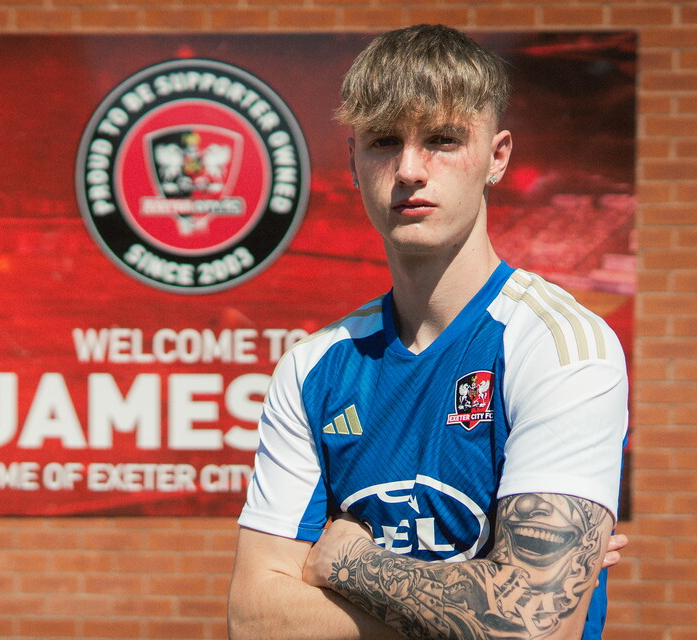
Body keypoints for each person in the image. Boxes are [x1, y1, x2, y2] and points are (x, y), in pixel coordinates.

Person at [227, 24, 629, 640]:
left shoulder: (561, 346)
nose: (410, 169)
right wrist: (485, 595)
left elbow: (535, 629)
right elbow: (255, 620)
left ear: (498, 157)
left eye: (442, 140)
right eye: (385, 141)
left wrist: (349, 563)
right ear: (354, 164)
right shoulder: (313, 368)